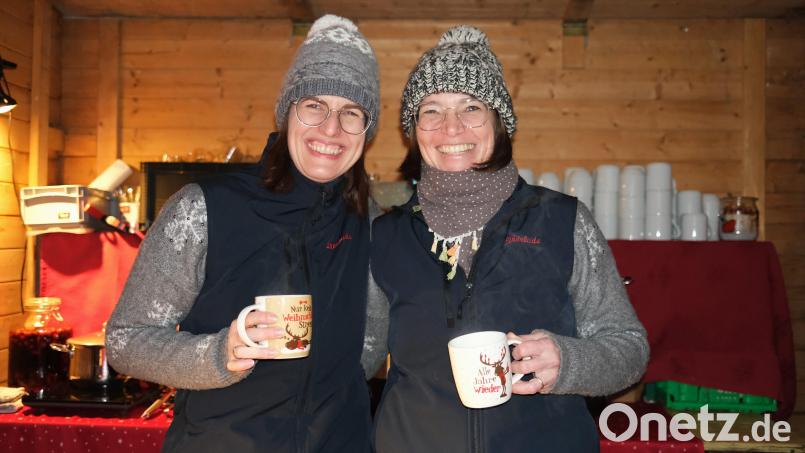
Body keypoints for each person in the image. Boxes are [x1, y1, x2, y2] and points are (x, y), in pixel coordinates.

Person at [106, 15, 383, 453]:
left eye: (351, 113)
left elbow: (367, 351)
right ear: (288, 110)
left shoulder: (370, 224)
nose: (331, 129)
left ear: (366, 133)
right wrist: (221, 355)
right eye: (314, 105)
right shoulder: (203, 208)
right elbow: (126, 340)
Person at [370, 25, 650, 452]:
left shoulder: (562, 221)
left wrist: (569, 362)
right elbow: (356, 355)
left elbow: (629, 349)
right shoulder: (386, 236)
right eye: (431, 110)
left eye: (471, 107)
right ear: (413, 128)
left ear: (500, 121)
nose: (451, 128)